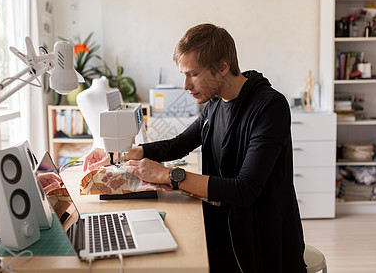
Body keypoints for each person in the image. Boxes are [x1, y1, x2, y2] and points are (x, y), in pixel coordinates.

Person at [83, 23, 307, 272]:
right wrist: (125, 153)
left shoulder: (269, 107)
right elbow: (180, 144)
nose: (185, 85)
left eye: (193, 74)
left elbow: (245, 190)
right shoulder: (215, 103)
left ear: (223, 66)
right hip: (223, 227)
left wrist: (168, 175)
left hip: (261, 242)